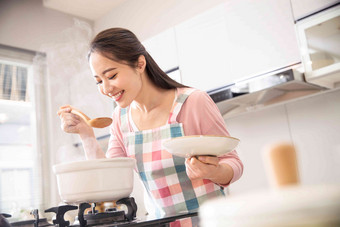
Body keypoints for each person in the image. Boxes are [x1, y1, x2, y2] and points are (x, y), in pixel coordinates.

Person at [57, 27, 243, 226]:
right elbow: (109, 182)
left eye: (111, 76)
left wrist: (212, 172)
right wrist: (86, 134)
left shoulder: (192, 102)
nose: (105, 88)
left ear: (139, 64)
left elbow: (233, 163)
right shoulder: (121, 119)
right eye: (98, 81)